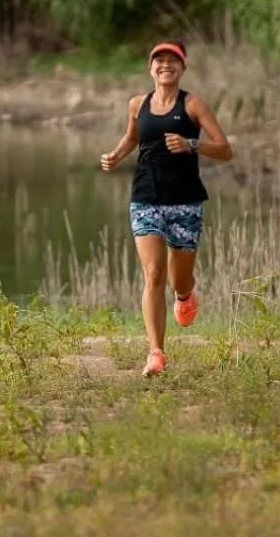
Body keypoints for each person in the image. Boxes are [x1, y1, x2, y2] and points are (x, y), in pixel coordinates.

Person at [99, 39, 232, 376]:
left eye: (173, 60)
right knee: (153, 273)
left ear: (182, 67)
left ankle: (185, 295)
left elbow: (225, 149)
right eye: (159, 60)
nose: (165, 65)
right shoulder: (137, 104)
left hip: (185, 200)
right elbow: (132, 138)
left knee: (178, 279)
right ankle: (156, 352)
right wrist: (116, 155)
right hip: (145, 197)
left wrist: (192, 144)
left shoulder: (193, 106)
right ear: (150, 68)